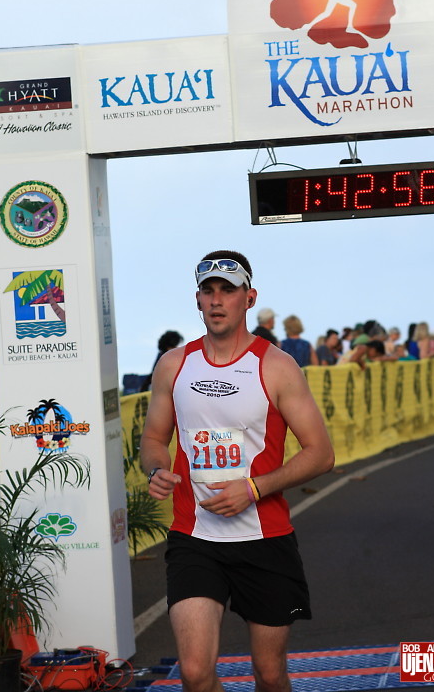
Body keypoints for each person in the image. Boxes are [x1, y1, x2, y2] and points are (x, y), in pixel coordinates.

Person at [140, 250, 335, 692]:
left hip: (264, 540)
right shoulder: (174, 365)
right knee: (193, 671)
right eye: (208, 291)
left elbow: (321, 453)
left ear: (249, 298)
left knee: (268, 673)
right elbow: (153, 440)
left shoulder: (277, 366)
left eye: (227, 290)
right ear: (197, 300)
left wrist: (254, 488)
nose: (217, 300)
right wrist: (156, 470)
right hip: (196, 538)